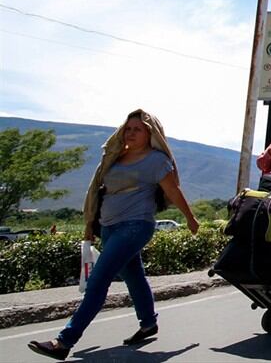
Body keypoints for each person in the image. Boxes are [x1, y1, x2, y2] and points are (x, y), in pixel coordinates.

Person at [28, 110, 199, 361]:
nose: (130, 133)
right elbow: (98, 191)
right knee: (134, 276)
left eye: (137, 129)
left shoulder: (156, 160)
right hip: (109, 226)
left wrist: (190, 217)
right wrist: (90, 224)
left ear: (150, 134)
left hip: (135, 226)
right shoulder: (114, 156)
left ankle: (64, 341)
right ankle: (149, 323)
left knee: (99, 280)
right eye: (127, 128)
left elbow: (173, 191)